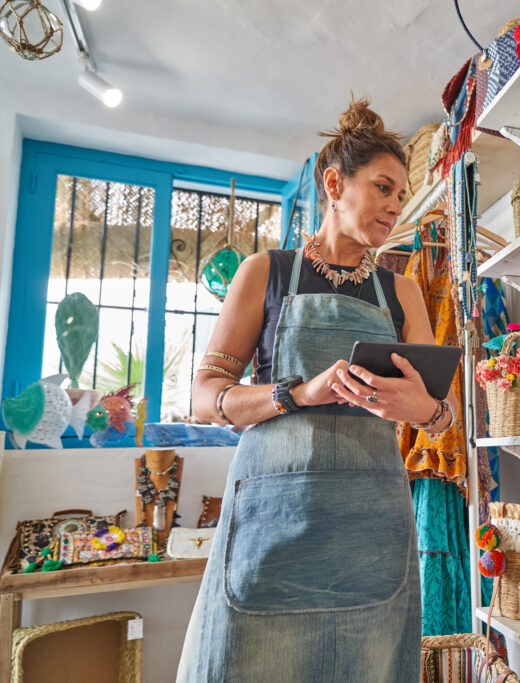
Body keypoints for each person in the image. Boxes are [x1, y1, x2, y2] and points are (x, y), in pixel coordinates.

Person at [177, 97, 454, 682]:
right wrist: (296, 394)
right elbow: (204, 397)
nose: (395, 206)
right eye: (383, 187)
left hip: (370, 535)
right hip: (272, 527)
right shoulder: (265, 272)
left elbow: (442, 416)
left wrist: (424, 411)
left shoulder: (401, 294)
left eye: (401, 195)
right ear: (334, 183)